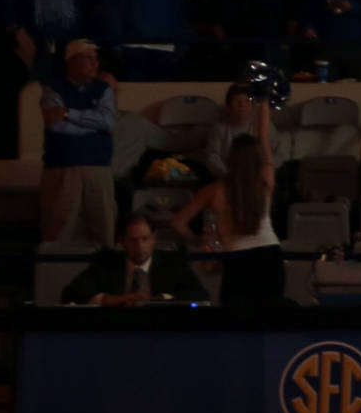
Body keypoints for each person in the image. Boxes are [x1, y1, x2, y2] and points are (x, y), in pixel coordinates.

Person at [181, 95, 284, 304]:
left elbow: (178, 222)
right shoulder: (264, 182)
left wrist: (198, 240)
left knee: (235, 329)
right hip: (270, 257)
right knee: (269, 325)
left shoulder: (214, 190)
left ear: (231, 158)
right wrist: (263, 102)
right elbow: (263, 137)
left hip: (237, 260)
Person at [38, 40, 118, 249]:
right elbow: (56, 127)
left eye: (96, 58)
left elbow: (108, 122)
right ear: (71, 61)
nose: (95, 63)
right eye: (88, 58)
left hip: (98, 169)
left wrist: (68, 113)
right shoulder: (52, 89)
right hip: (63, 169)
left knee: (103, 231)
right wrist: (94, 128)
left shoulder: (103, 89)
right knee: (60, 231)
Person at [64, 212, 201, 306]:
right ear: (122, 241)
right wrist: (109, 299)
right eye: (133, 240)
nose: (140, 246)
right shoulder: (107, 262)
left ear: (154, 238)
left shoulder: (172, 262)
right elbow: (70, 293)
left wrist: (160, 299)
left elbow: (199, 295)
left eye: (145, 239)